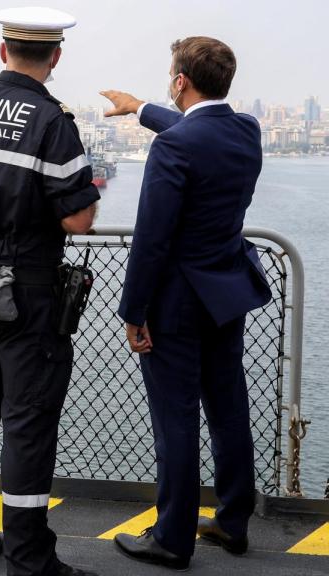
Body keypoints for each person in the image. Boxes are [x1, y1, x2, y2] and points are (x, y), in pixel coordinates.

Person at [0, 7, 100, 576]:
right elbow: (79, 221)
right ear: (55, 56)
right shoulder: (53, 123)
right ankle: (29, 560)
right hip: (28, 293)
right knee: (26, 426)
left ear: (2, 52)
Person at [101, 36, 272, 570]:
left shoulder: (174, 148)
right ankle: (232, 522)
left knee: (174, 419)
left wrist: (133, 312)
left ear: (180, 81)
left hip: (174, 304)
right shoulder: (246, 131)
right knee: (228, 410)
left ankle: (172, 539)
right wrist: (139, 109)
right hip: (226, 295)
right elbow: (199, 130)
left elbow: (152, 239)